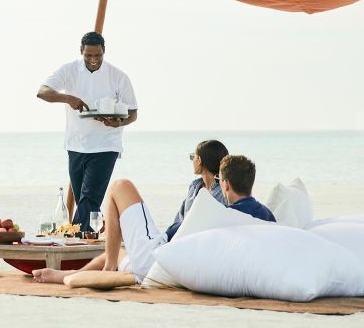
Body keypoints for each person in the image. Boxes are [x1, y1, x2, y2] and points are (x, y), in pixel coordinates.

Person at [33, 153, 275, 284]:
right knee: (114, 253)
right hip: (164, 260)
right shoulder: (266, 217)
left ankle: (107, 271)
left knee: (120, 186)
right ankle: (70, 274)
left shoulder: (217, 211)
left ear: (225, 184)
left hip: (159, 258)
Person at [37, 31, 137, 232]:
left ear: (104, 52)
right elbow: (42, 92)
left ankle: (70, 235)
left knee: (90, 195)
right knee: (88, 201)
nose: (93, 60)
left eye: (97, 55)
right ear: (81, 52)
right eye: (88, 55)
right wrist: (68, 98)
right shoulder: (69, 70)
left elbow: (133, 113)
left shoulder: (118, 76)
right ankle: (93, 236)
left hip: (106, 145)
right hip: (75, 145)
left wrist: (117, 123)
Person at [164, 139, 230, 241]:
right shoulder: (194, 186)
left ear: (199, 160)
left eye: (192, 157)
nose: (192, 161)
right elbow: (180, 219)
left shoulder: (224, 193)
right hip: (182, 242)